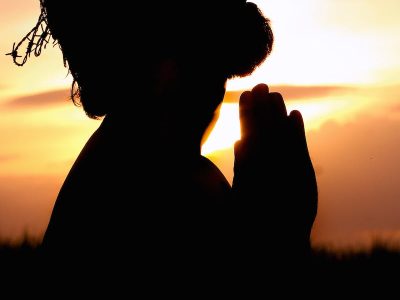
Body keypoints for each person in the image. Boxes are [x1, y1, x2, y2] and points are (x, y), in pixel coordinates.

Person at [9, 0, 317, 281]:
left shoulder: (128, 167)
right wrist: (282, 226)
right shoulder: (161, 192)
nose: (217, 89)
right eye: (209, 63)